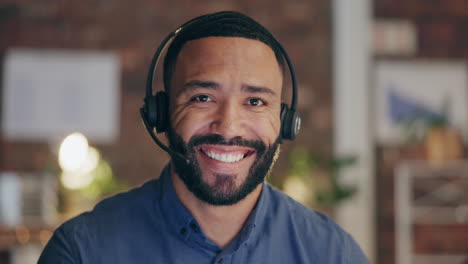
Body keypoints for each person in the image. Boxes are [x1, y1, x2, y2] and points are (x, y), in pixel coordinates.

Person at [39, 11, 369, 263]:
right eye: (202, 98)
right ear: (161, 112)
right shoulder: (82, 251)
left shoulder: (332, 253)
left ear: (284, 122)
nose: (228, 127)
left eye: (255, 102)